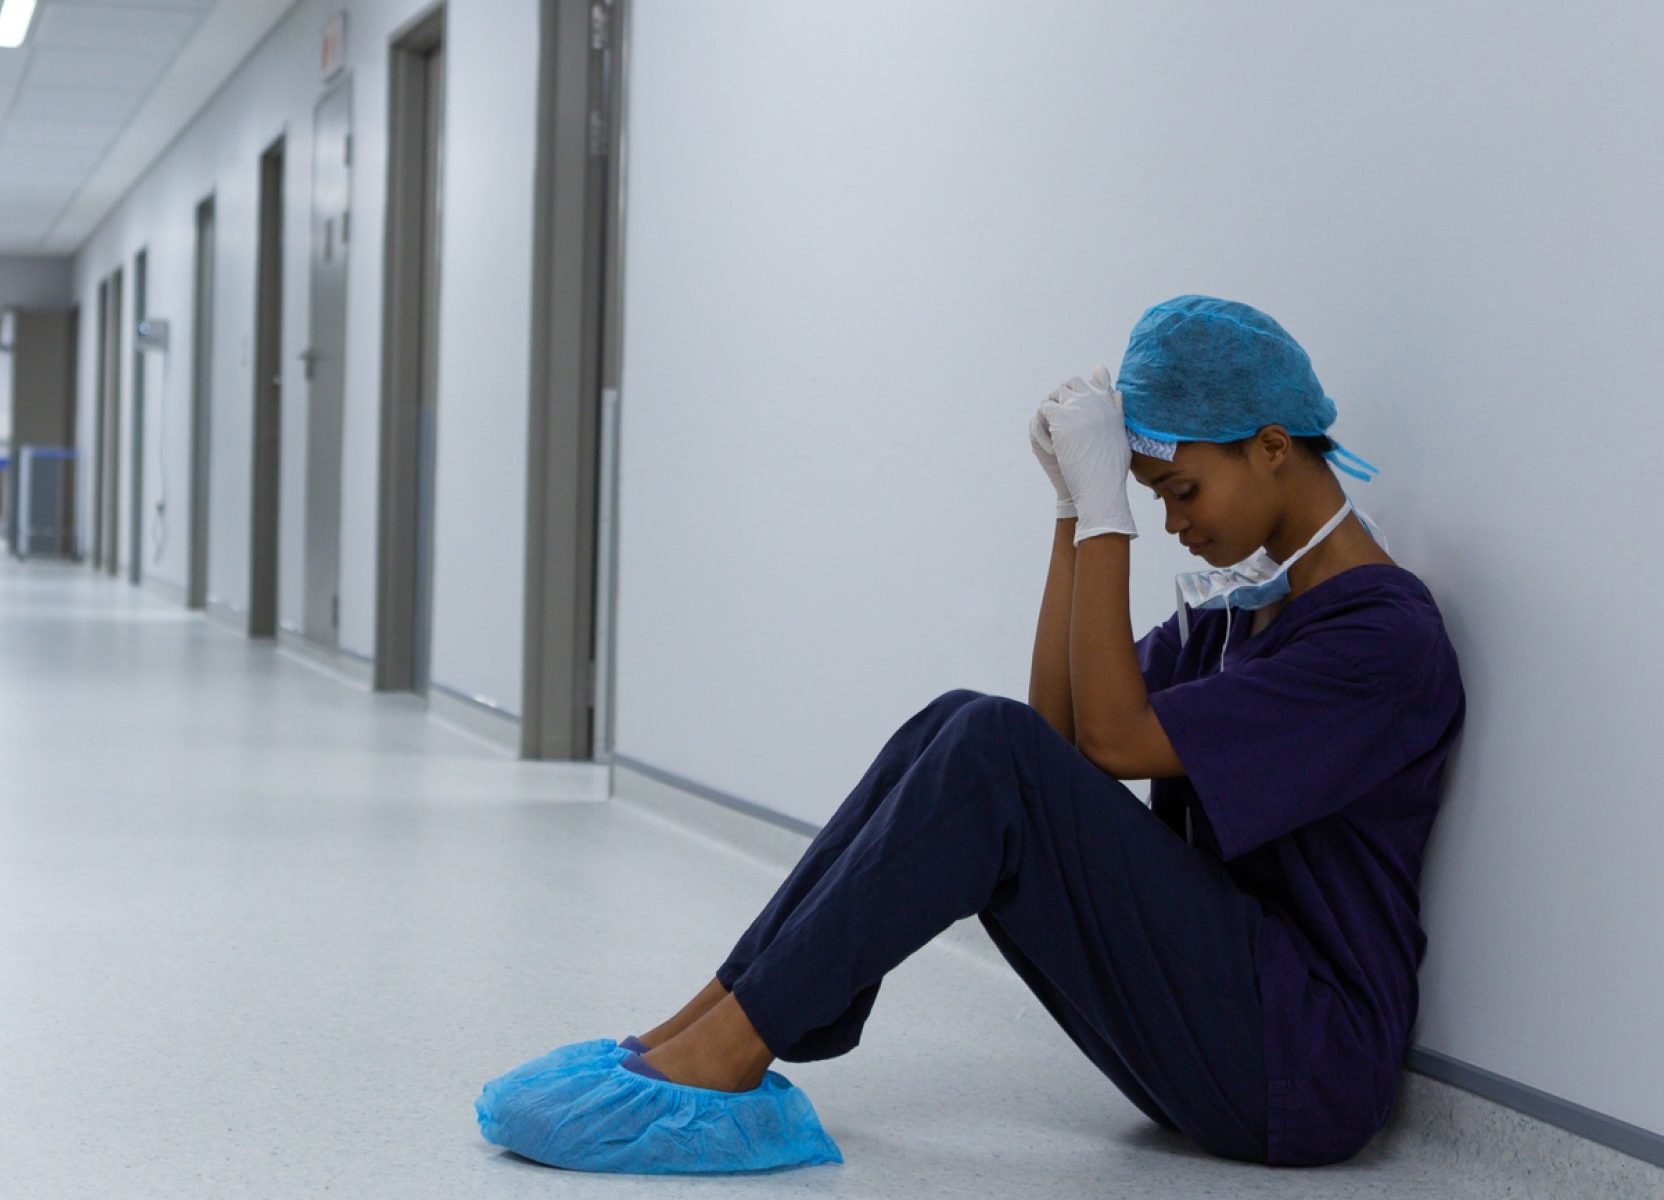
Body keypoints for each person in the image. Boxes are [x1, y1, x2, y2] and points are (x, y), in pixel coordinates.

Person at [475, 295, 1468, 1173]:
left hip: (1303, 1064)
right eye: (1153, 496)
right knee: (958, 724)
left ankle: (730, 1053)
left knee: (984, 746)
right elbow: (1059, 734)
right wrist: (1067, 510)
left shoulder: (1380, 638)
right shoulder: (1239, 611)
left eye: (1177, 490)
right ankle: (707, 1019)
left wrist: (1105, 519)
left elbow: (1105, 747)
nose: (1170, 523)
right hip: (1227, 1030)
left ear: (1267, 446)